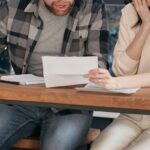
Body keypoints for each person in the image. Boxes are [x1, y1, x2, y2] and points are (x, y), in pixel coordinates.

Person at [0, 0, 109, 150]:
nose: (61, 1)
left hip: (72, 105)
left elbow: (99, 62)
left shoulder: (93, 7)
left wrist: (96, 74)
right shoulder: (11, 6)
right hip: (22, 102)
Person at [86, 0, 150, 149]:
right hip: (134, 114)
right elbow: (122, 70)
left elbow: (119, 79)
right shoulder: (131, 11)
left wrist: (116, 83)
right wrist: (146, 25)